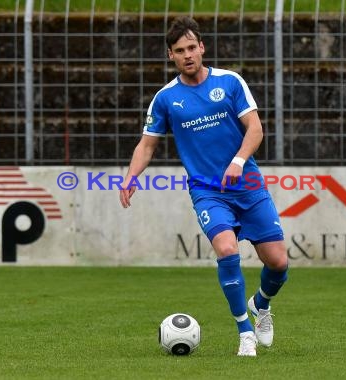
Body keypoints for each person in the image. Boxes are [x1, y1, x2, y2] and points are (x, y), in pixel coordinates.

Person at [119, 16, 288, 357]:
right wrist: (130, 175)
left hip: (249, 185)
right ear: (171, 56)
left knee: (278, 264)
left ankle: (261, 306)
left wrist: (238, 161)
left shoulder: (229, 82)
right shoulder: (166, 99)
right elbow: (147, 144)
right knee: (227, 250)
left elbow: (254, 129)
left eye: (192, 47)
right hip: (207, 191)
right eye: (179, 51)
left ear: (202, 47)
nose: (187, 55)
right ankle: (244, 332)